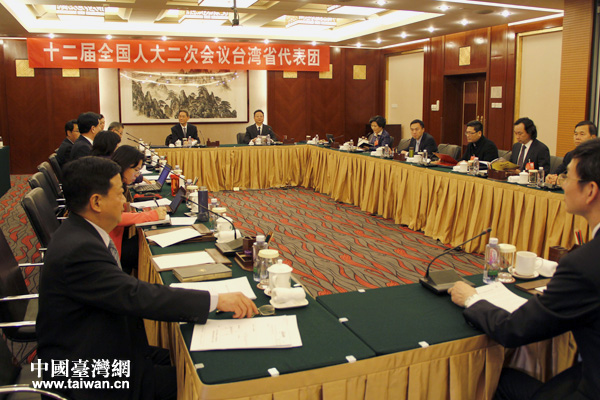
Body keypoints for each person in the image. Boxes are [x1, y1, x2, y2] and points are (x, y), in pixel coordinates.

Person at [37, 156, 257, 400]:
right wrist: (215, 300)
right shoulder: (79, 250)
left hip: (109, 346)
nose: (124, 201)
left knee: (190, 361)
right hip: (89, 375)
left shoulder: (80, 231)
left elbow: (127, 291)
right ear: (96, 202)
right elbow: (135, 295)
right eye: (119, 194)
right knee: (207, 385)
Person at [448, 138, 600, 400]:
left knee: (496, 380)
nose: (562, 184)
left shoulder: (583, 264)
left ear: (590, 191)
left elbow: (514, 330)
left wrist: (472, 299)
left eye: (567, 177)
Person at [109, 145, 165, 273]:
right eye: (136, 170)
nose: (137, 175)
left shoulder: (116, 181)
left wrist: (131, 214)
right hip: (112, 250)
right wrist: (151, 215)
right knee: (150, 244)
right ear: (124, 165)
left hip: (117, 241)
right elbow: (114, 216)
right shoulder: (109, 184)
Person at [546, 121, 597, 185]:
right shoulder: (570, 155)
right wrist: (550, 177)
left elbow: (587, 181)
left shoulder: (596, 157)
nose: (577, 138)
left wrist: (562, 181)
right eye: (576, 134)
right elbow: (558, 172)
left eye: (582, 134)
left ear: (593, 138)